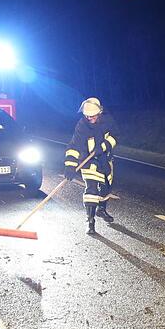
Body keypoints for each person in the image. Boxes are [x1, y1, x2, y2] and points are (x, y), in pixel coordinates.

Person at [65, 97, 118, 234]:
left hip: (104, 160)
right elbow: (74, 146)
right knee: (92, 190)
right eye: (87, 115)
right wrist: (70, 165)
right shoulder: (81, 125)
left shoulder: (108, 121)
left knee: (106, 187)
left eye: (92, 116)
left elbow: (115, 136)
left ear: (99, 113)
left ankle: (101, 209)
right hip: (87, 161)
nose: (89, 118)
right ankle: (90, 221)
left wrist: (105, 146)